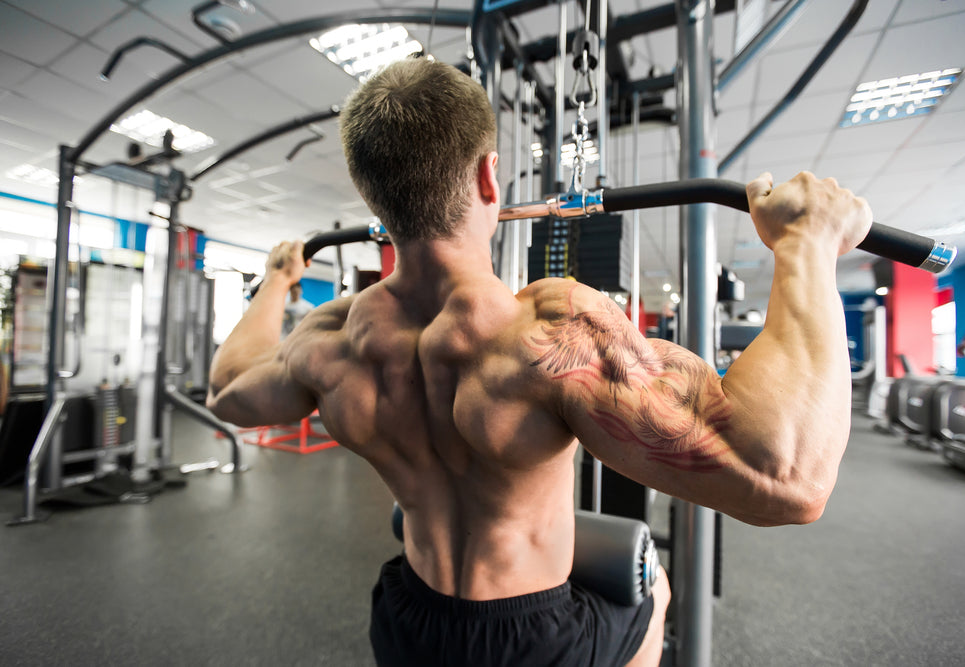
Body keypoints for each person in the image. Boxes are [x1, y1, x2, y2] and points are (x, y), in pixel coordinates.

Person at [207, 57, 871, 666]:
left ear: (374, 201)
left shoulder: (331, 339)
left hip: (406, 619)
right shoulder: (550, 329)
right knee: (653, 592)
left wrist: (275, 280)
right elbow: (786, 479)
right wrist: (806, 245)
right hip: (532, 642)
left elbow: (228, 386)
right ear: (489, 176)